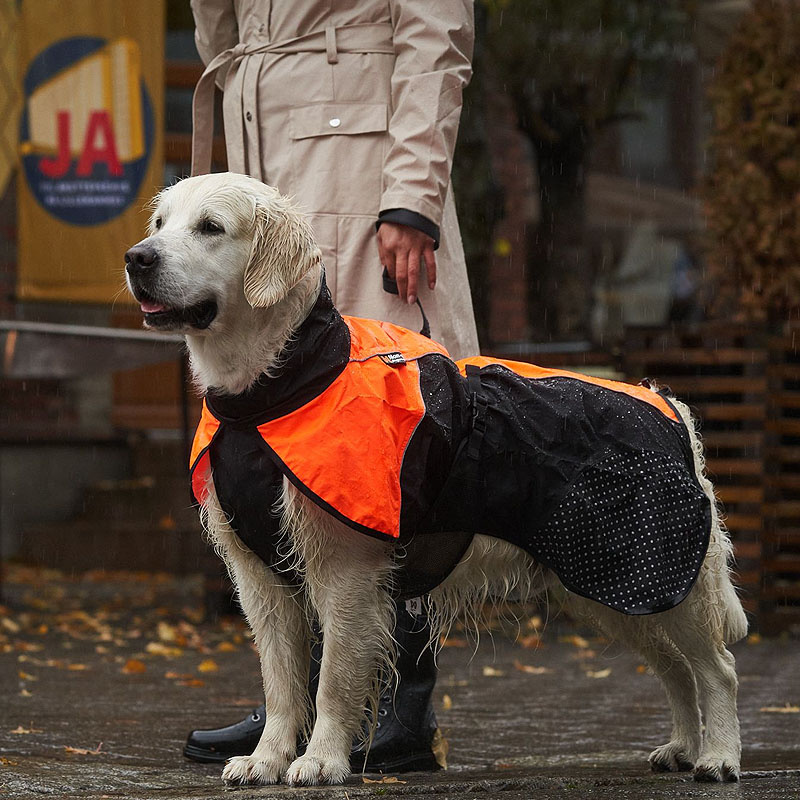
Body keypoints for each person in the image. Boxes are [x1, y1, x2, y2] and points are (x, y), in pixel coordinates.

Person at [184, 0, 479, 773]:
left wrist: (412, 193)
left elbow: (434, 29)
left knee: (381, 436)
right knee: (275, 446)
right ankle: (297, 706)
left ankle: (400, 703)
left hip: (361, 167)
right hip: (262, 146)